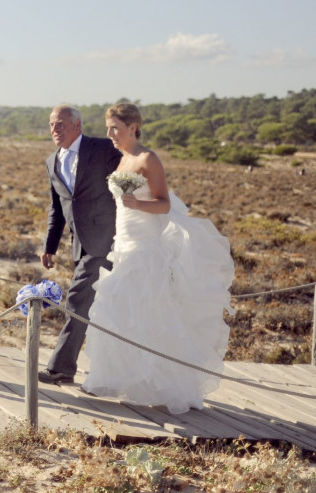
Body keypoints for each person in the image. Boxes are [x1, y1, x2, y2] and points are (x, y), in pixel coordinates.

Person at [82, 103, 234, 413]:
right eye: (108, 127)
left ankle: (163, 384)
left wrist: (138, 206)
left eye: (115, 128)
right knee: (121, 310)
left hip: (145, 247)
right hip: (122, 243)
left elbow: (164, 204)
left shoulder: (148, 159)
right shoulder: (124, 159)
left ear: (133, 128)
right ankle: (127, 379)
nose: (109, 133)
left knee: (148, 311)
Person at [39, 104, 121, 384]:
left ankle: (61, 367)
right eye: (51, 125)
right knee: (93, 306)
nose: (54, 130)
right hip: (80, 243)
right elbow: (57, 207)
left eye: (60, 124)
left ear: (78, 125)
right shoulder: (52, 161)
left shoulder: (101, 148)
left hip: (105, 240)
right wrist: (50, 246)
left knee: (76, 300)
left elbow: (132, 166)